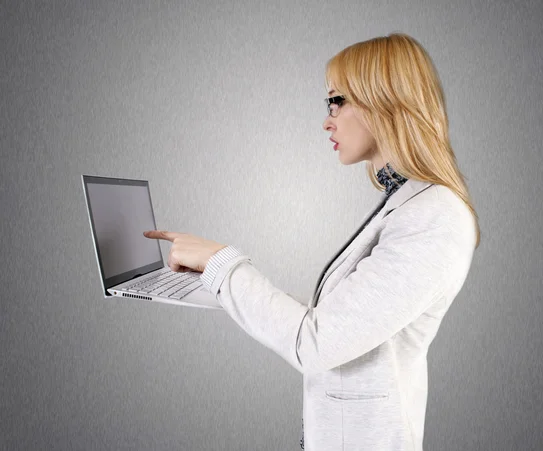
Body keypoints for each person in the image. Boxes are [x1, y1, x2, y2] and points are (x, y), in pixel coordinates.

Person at [144, 32, 480, 451]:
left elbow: (315, 343)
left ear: (385, 100)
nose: (327, 119)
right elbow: (339, 317)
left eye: (336, 101)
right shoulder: (405, 202)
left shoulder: (434, 217)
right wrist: (210, 279)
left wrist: (222, 262)